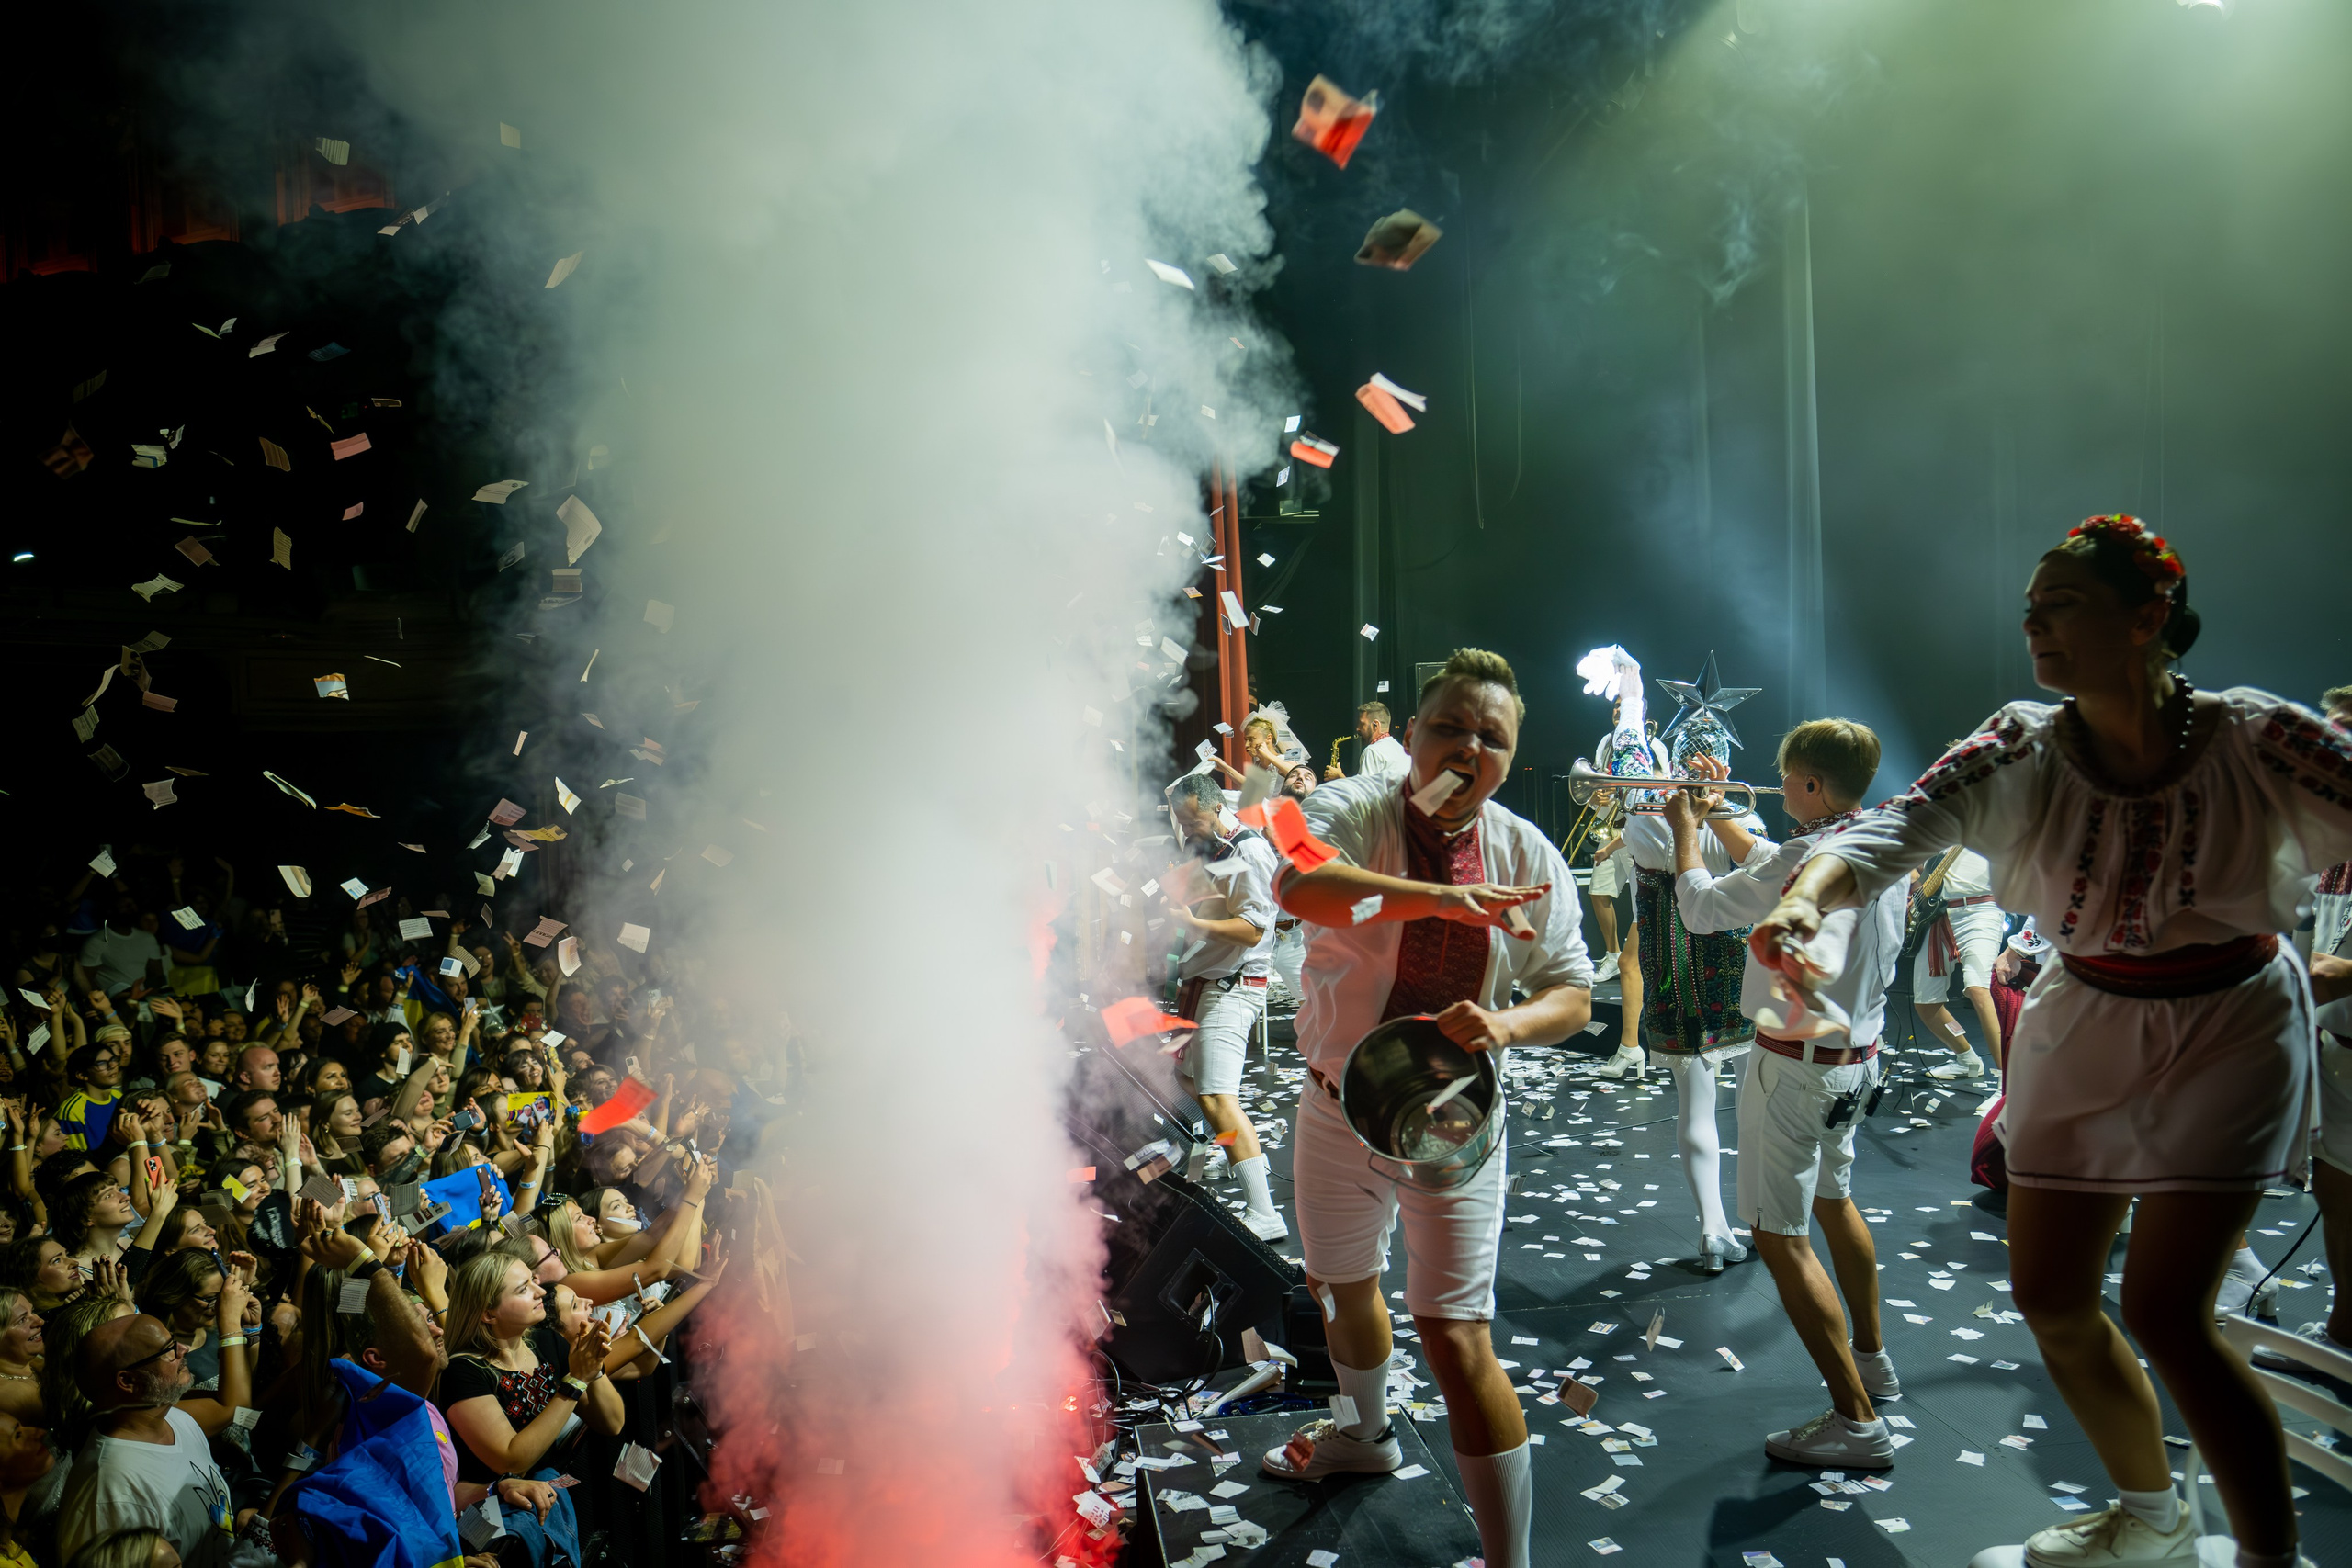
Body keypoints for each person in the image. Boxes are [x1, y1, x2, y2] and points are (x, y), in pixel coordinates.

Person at [1746, 515, 2352, 1568]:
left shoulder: (2256, 736)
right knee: (2051, 1297)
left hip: (2231, 1020)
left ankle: (2266, 1555)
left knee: (2169, 1312)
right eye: (2028, 609)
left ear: (2148, 618)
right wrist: (1803, 900)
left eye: (2060, 604)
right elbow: (1894, 828)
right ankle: (2153, 1519)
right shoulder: (2023, 738)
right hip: (2081, 1017)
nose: (2032, 624)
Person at [1265, 648, 1593, 1568]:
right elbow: (1299, 885)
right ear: (1410, 736)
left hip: (1456, 1123)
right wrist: (1446, 898)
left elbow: (1573, 996)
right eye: (1448, 724)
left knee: (1455, 1336)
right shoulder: (1348, 808)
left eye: (1491, 736)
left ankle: (1508, 1561)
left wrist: (1504, 1021)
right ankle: (1363, 1438)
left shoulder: (1527, 851)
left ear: (1508, 756)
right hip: (1334, 1107)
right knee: (1341, 1284)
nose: (1467, 745)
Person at [1668, 718, 1908, 1465]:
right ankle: (1873, 1361)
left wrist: (1685, 831)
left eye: (1786, 777)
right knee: (1834, 1202)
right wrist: (1722, 811)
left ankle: (1857, 1420)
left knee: (1779, 1234)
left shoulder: (1811, 854)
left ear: (1808, 784)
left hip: (1793, 1069)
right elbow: (1776, 857)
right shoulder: (1882, 838)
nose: (1778, 786)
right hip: (1854, 1061)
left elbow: (1702, 908)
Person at [1601, 645, 1773, 1274]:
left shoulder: (1650, 808)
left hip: (1698, 972)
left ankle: (1719, 1226)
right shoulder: (1738, 819)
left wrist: (1634, 691)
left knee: (1704, 1103)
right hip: (1722, 975)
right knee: (1740, 1104)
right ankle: (1733, 1223)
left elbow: (1627, 745)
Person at [435, 1252, 622, 1568]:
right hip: (493, 1516)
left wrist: (594, 1365)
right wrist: (575, 1381)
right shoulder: (464, 1371)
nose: (541, 1292)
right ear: (488, 1314)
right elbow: (512, 1459)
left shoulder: (549, 1343)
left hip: (547, 1500)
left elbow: (612, 1422)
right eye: (523, 1289)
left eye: (534, 1281)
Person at [1161, 773, 1286, 1240]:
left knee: (1216, 1097)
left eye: (1191, 819)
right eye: (1179, 819)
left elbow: (1254, 929)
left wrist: (1193, 921)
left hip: (1233, 987)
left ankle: (1263, 1212)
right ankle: (1241, 1149)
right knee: (1189, 1079)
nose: (1185, 827)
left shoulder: (1247, 851)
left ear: (1214, 808)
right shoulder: (1216, 844)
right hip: (1209, 982)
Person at [57, 1313, 237, 1568]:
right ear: (128, 1381)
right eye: (168, 1351)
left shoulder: (178, 1420)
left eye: (174, 1341)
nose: (183, 1349)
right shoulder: (111, 1490)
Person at [1910, 840, 2008, 1082]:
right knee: (1926, 1002)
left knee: (1978, 989)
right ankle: (1966, 1060)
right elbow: (1920, 868)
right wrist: (1916, 890)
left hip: (1981, 907)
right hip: (1938, 913)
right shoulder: (1940, 825)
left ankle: (2008, 1086)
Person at [73, 901, 165, 1004]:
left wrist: (142, 994)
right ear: (111, 911)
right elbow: (85, 980)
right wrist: (111, 999)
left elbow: (158, 976)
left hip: (144, 1000)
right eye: (124, 906)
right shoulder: (98, 941)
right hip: (114, 1002)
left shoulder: (148, 939)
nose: (130, 909)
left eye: (132, 905)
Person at [57, 1043, 126, 1154]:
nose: (112, 1066)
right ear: (82, 1075)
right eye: (101, 1063)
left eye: (113, 1059)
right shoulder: (73, 1111)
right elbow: (75, 1160)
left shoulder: (119, 1097)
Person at [1324, 701, 1408, 786]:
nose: (1358, 728)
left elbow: (1364, 793)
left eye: (1362, 724)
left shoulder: (1372, 751)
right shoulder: (1401, 749)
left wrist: (1339, 777)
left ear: (1375, 725)